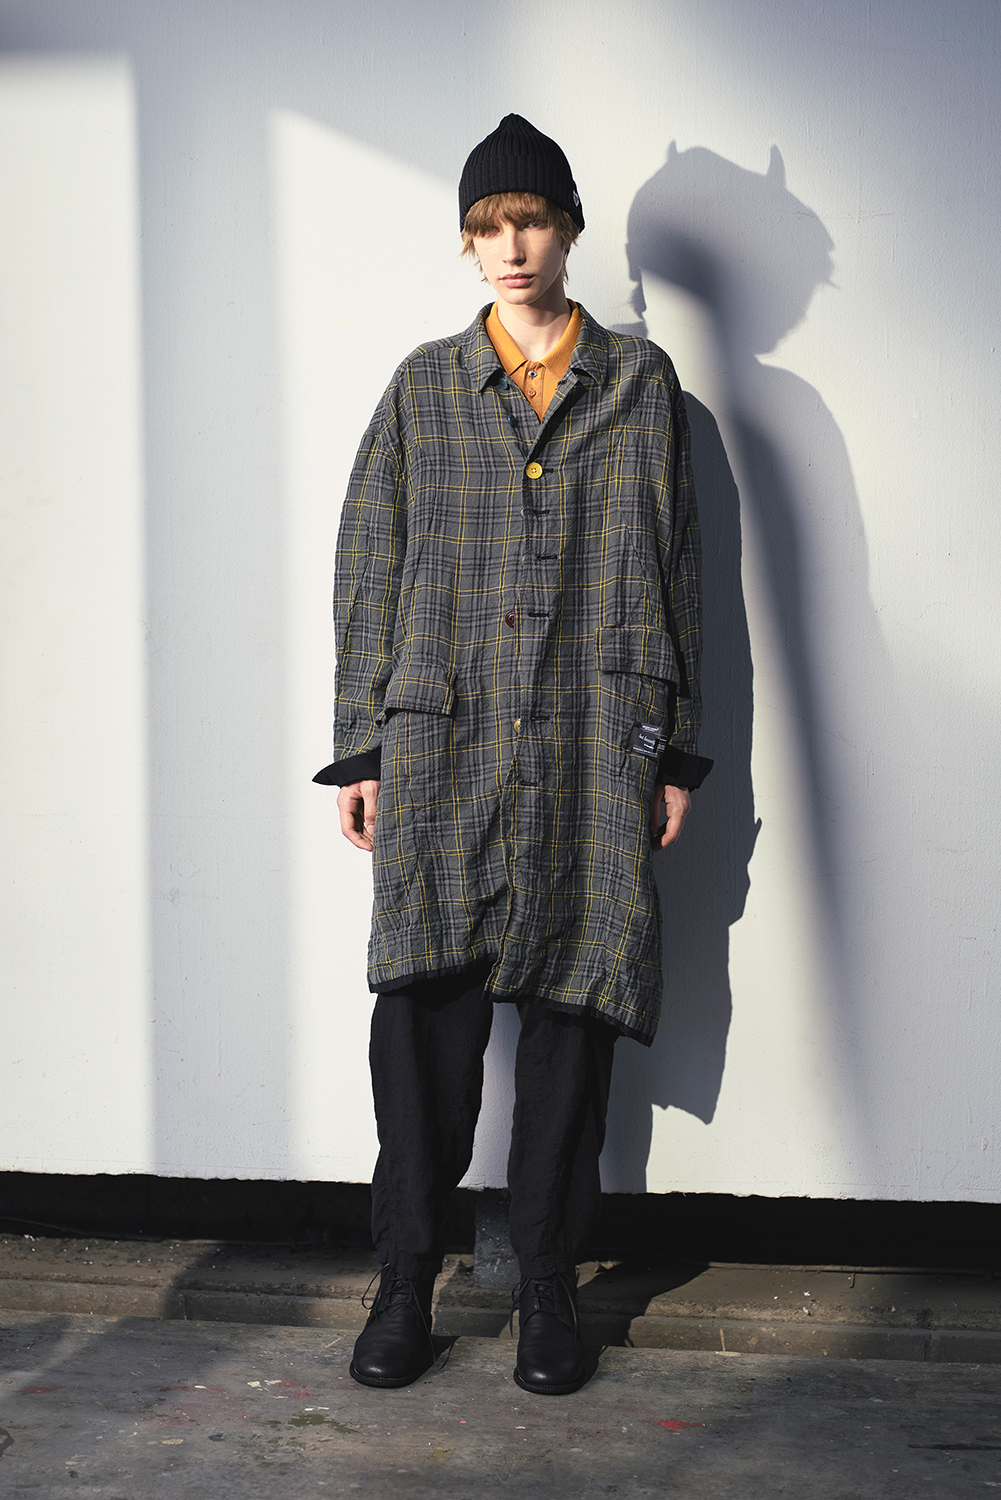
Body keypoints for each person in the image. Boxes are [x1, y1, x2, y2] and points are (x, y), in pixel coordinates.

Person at [314, 114, 712, 1395]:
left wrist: (672, 750)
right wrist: (361, 745)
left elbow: (679, 570)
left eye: (530, 220)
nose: (510, 247)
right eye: (487, 227)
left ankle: (546, 1283)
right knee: (420, 1021)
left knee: (570, 1021)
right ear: (467, 242)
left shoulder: (641, 387)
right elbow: (367, 567)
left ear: (568, 229)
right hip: (444, 740)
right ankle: (403, 1281)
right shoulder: (424, 388)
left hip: (595, 736)